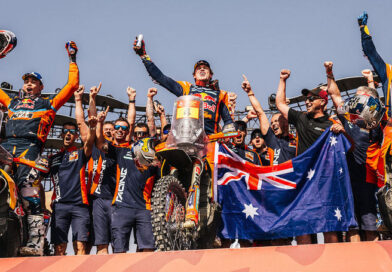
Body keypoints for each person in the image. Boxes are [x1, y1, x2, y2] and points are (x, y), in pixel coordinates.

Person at [0, 41, 79, 256]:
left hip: (30, 150)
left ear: (41, 87)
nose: (29, 84)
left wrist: (72, 60)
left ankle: (36, 243)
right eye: (26, 81)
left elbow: (71, 85)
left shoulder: (49, 103)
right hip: (5, 147)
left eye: (33, 81)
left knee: (29, 193)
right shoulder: (11, 102)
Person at [275, 68, 344, 244]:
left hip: (326, 183)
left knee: (329, 227)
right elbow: (280, 104)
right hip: (303, 182)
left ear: (322, 102)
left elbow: (348, 150)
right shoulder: (301, 119)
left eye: (311, 99)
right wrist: (283, 80)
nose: (306, 101)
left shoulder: (331, 124)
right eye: (306, 99)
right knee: (302, 227)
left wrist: (342, 132)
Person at [325, 61, 382, 242]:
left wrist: (371, 83)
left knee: (370, 228)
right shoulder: (347, 114)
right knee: (352, 228)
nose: (355, 100)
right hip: (347, 180)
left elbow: (377, 109)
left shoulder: (374, 125)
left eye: (360, 97)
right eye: (355, 97)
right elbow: (335, 95)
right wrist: (329, 73)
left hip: (367, 180)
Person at [96, 109, 158, 253]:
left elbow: (154, 129)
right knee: (119, 251)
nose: (139, 136)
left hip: (145, 209)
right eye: (136, 134)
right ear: (133, 135)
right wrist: (99, 123)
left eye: (143, 134)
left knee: (148, 250)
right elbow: (100, 144)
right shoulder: (121, 151)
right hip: (122, 207)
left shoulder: (154, 157)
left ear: (147, 136)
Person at [49, 117, 96, 256]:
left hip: (79, 206)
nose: (68, 134)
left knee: (80, 246)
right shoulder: (53, 158)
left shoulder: (80, 153)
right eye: (65, 131)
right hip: (59, 206)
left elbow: (90, 143)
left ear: (76, 136)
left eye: (72, 132)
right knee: (59, 249)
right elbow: (37, 178)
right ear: (61, 135)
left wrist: (92, 128)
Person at [241, 75, 296, 165]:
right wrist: (250, 92)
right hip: (275, 177)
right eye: (271, 122)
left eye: (276, 121)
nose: (273, 124)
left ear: (285, 121)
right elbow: (260, 113)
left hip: (292, 178)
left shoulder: (296, 140)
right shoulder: (271, 138)